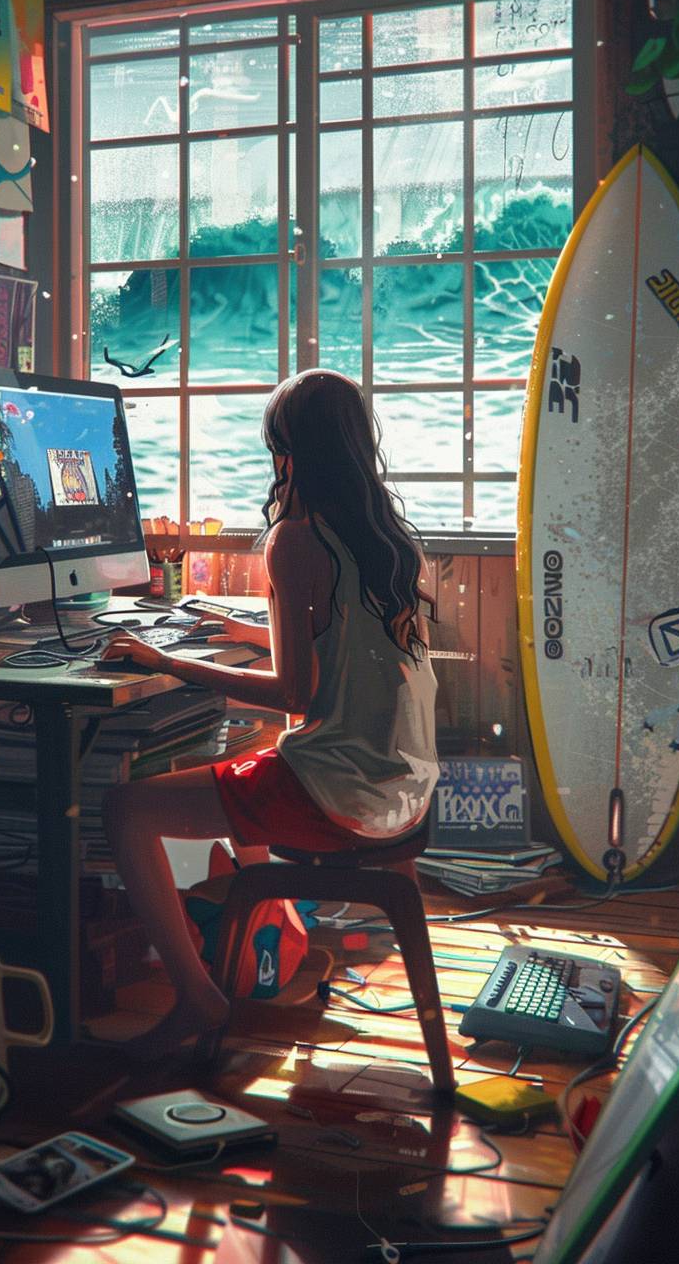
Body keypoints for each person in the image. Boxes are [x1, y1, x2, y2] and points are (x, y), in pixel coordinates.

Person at [101, 369, 441, 1052]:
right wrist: (246, 634)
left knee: (125, 809)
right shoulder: (387, 539)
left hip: (337, 793)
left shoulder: (295, 539)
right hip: (405, 787)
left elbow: (295, 695)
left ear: (289, 450)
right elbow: (347, 649)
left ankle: (199, 999)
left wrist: (167, 662)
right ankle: (271, 926)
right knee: (241, 757)